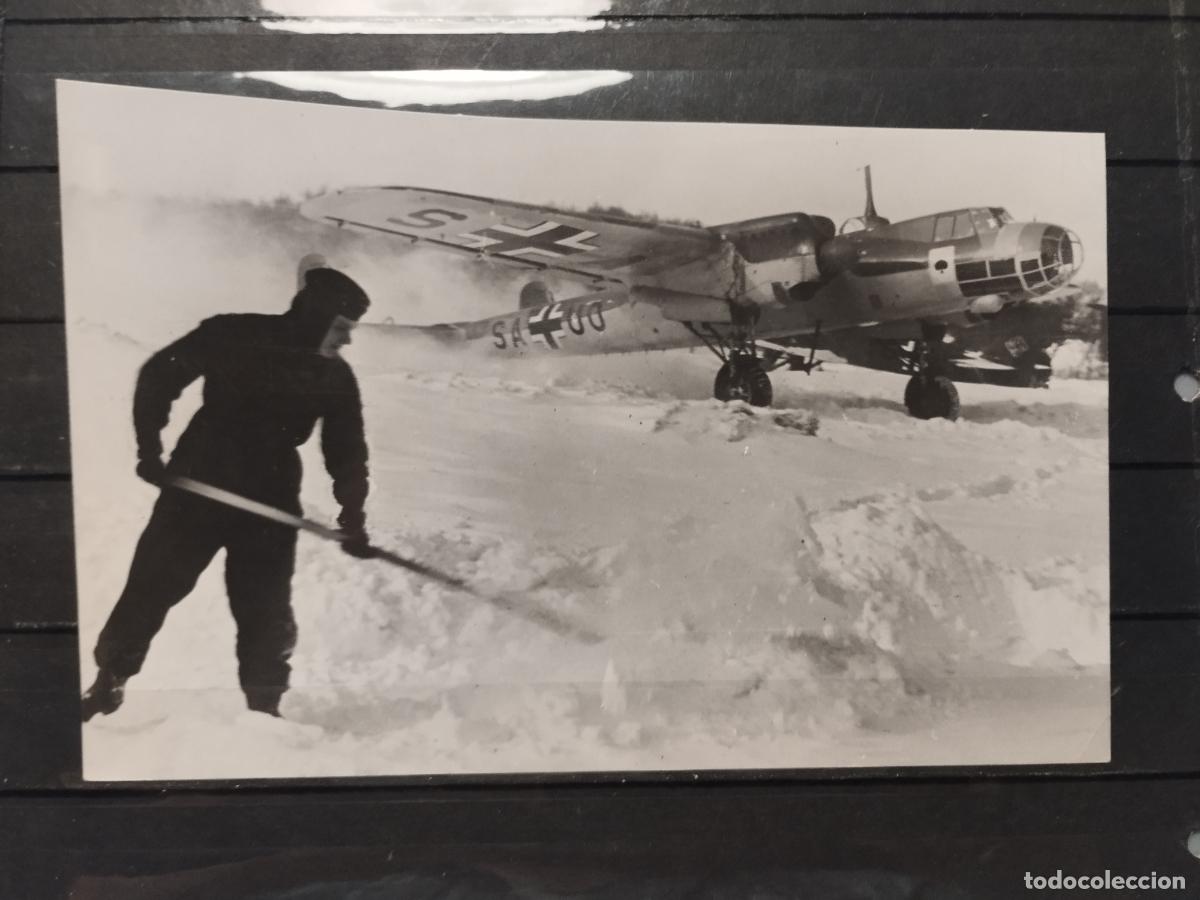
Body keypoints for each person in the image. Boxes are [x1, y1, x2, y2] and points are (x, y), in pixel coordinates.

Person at [81, 266, 375, 722]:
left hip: (271, 495)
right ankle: (109, 682)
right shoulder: (232, 333)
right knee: (152, 586)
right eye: (342, 328)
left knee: (265, 606)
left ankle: (264, 709)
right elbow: (159, 376)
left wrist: (352, 516)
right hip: (200, 481)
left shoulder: (334, 375)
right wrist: (148, 449)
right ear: (318, 318)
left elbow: (347, 449)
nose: (347, 340)